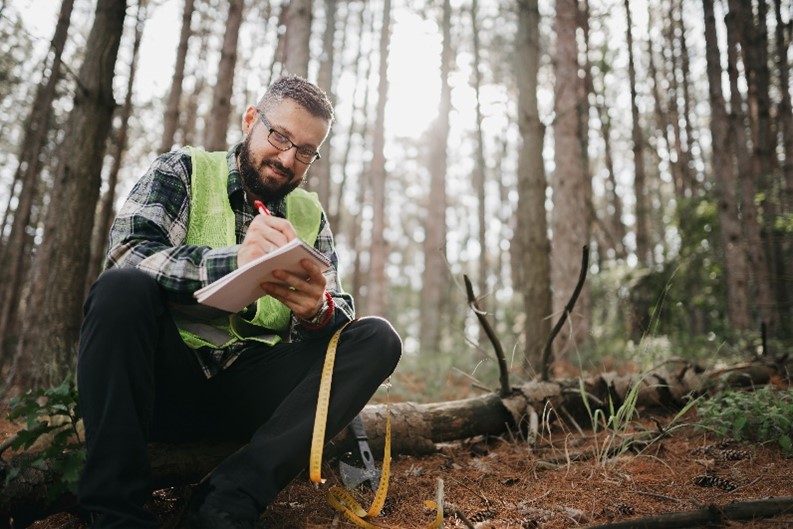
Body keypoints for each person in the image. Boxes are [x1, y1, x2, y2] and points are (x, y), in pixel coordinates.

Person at [76, 75, 402, 529]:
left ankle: (227, 498)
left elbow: (338, 312)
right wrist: (231, 262)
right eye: (280, 136)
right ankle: (116, 514)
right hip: (164, 385)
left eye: (305, 151)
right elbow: (128, 253)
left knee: (377, 338)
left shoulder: (309, 214)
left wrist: (318, 312)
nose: (288, 159)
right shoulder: (183, 170)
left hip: (253, 395)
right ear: (251, 120)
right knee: (120, 288)